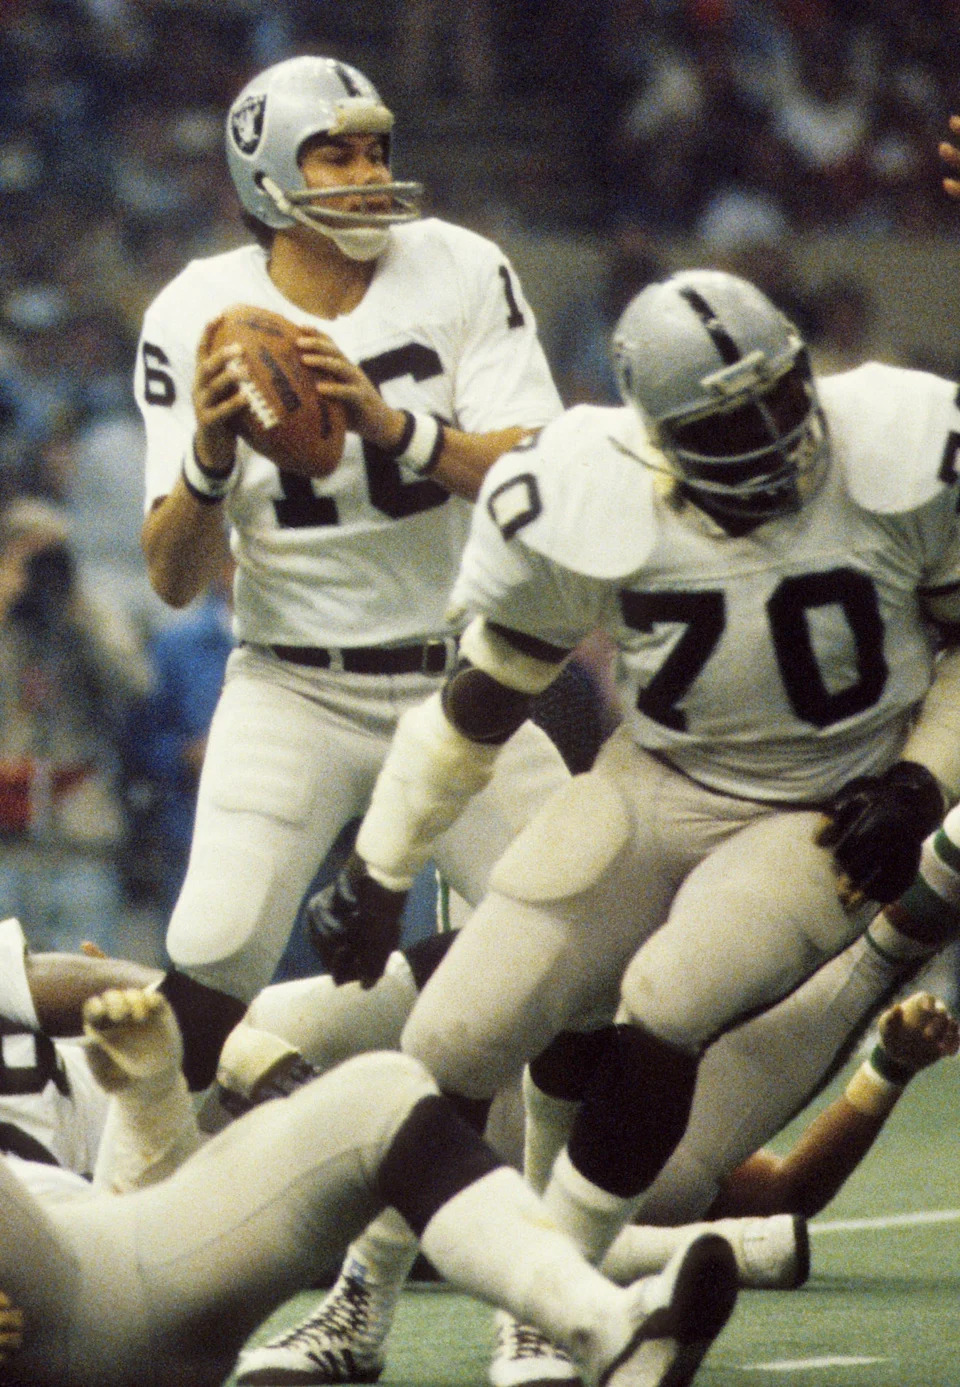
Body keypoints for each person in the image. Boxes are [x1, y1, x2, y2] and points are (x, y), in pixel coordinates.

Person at [301, 264, 960, 1387]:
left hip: (823, 801)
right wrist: (378, 868)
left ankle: (551, 1301)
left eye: (776, 401)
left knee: (669, 999)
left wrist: (921, 781)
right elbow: (476, 705)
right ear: (657, 436)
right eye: (726, 422)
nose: (766, 443)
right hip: (654, 776)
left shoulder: (905, 439)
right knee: (456, 1031)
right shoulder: (576, 486)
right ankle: (358, 1306)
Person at [134, 53, 570, 1090]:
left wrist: (395, 427)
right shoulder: (193, 311)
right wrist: (208, 455)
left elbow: (548, 476)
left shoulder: (462, 265)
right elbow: (172, 577)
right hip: (294, 680)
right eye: (335, 154)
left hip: (461, 681)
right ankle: (135, 1193)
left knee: (579, 939)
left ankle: (542, 1193)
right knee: (213, 947)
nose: (368, 171)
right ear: (266, 178)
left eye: (376, 148)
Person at [0, 984, 741, 1387]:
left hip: (104, 1273)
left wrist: (152, 1092)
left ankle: (608, 1328)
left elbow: (139, 1205)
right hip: (46, 1303)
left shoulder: (55, 1062)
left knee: (381, 1093)